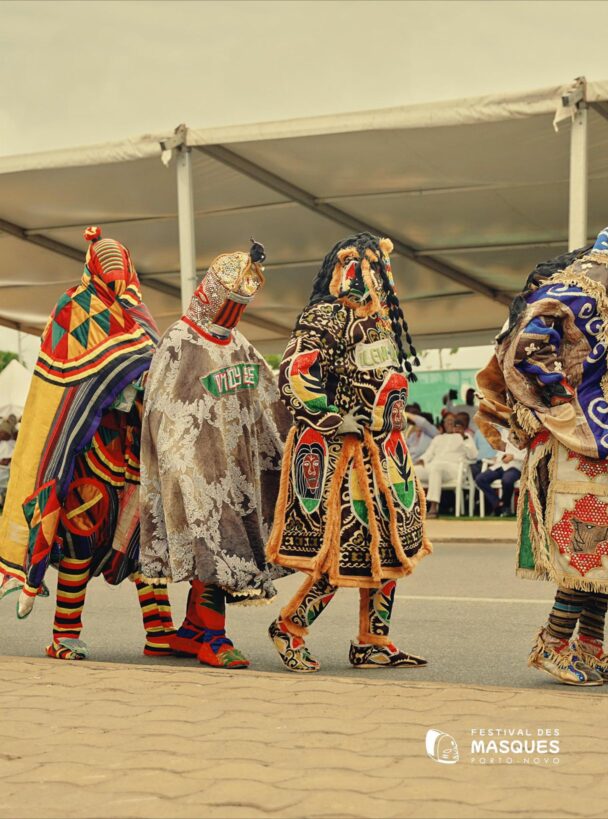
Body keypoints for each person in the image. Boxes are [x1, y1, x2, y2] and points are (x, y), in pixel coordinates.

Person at [476, 220, 608, 687]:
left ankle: (591, 649)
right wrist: (571, 406)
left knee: (605, 552)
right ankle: (552, 644)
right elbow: (530, 349)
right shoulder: (586, 288)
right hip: (577, 446)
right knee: (586, 544)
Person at [0, 227, 175, 659]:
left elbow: (155, 363)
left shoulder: (138, 311)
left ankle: (160, 631)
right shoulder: (71, 309)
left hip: (132, 449)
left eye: (122, 273)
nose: (118, 282)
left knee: (143, 540)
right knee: (81, 539)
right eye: (110, 272)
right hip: (86, 448)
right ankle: (64, 633)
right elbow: (67, 382)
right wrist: (125, 378)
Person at [266, 233, 430, 672]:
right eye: (365, 267)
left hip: (385, 453)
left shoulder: (378, 322)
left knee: (390, 549)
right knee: (344, 548)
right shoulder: (324, 317)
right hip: (344, 456)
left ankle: (373, 640)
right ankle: (289, 626)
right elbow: (295, 371)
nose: (373, 276)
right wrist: (332, 417)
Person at [140, 242, 292, 669]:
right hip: (194, 469)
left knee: (227, 540)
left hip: (236, 468)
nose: (233, 315)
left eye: (240, 308)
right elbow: (163, 408)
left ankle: (190, 631)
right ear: (211, 294)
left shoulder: (238, 342)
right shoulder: (179, 339)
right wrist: (185, 465)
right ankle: (213, 637)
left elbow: (266, 392)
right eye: (230, 305)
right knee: (215, 543)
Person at [415, 413, 477, 517]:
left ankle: (433, 508)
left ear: (456, 423)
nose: (449, 423)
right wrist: (421, 460)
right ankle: (414, 507)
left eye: (452, 421)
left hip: (453, 470)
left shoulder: (464, 437)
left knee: (436, 467)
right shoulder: (438, 438)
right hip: (434, 468)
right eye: (447, 421)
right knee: (413, 471)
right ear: (443, 424)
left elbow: (473, 456)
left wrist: (463, 438)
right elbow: (428, 454)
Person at [475, 440, 525, 516]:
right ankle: (498, 503)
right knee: (480, 479)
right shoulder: (504, 434)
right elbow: (499, 453)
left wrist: (514, 457)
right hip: (500, 466)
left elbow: (528, 455)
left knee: (507, 480)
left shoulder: (525, 436)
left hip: (515, 466)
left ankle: (506, 507)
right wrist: (500, 457)